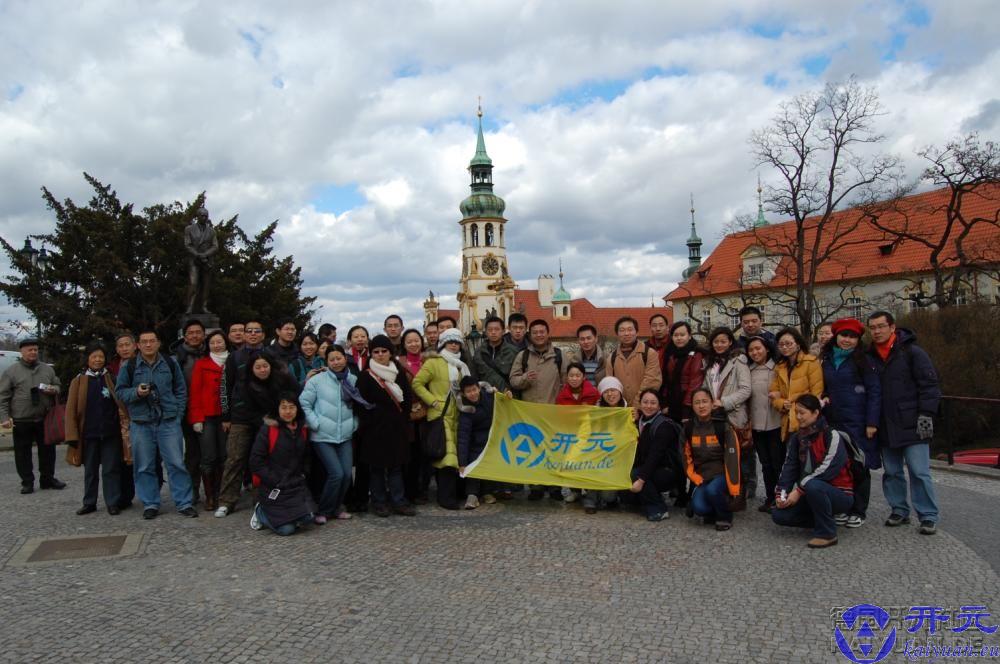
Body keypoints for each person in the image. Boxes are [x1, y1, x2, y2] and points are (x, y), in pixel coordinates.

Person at [867, 311, 941, 535]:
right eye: (873, 327)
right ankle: (899, 509)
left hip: (913, 421)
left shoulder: (912, 352)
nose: (877, 331)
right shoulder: (869, 356)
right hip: (885, 422)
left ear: (892, 327)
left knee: (919, 471)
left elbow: (929, 385)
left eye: (881, 326)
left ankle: (927, 515)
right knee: (892, 472)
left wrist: (926, 414)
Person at [115, 330, 197, 519]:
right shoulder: (129, 366)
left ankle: (184, 502)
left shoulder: (170, 362)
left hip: (168, 421)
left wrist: (178, 413)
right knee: (144, 466)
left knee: (176, 464)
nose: (148, 345)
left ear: (158, 343)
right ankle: (150, 503)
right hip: (141, 422)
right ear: (138, 345)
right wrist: (137, 392)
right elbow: (120, 393)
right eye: (144, 342)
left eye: (152, 341)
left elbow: (180, 390)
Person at [217, 351, 298, 517]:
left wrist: (280, 418)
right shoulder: (244, 382)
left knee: (264, 459)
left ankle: (260, 499)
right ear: (251, 369)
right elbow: (244, 407)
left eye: (265, 366)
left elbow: (294, 395)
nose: (262, 370)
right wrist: (265, 421)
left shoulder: (281, 378)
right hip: (244, 419)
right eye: (258, 367)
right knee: (235, 458)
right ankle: (226, 501)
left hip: (272, 419)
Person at [771, 394, 854, 548]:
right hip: (809, 492)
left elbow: (828, 469)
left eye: (802, 413)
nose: (798, 417)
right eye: (796, 412)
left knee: (813, 485)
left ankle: (827, 533)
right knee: (778, 515)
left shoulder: (831, 435)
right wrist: (781, 494)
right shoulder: (797, 438)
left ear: (816, 413)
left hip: (838, 493)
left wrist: (799, 491)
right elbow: (789, 468)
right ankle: (824, 518)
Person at [821, 318, 881, 528]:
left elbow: (874, 391)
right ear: (836, 336)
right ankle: (842, 506)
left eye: (852, 337)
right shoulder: (827, 359)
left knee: (859, 465)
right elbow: (824, 386)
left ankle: (858, 510)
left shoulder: (863, 360)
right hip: (833, 419)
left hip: (857, 419)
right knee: (837, 465)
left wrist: (872, 422)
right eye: (844, 335)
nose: (847, 340)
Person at [300, 344, 366, 523]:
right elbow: (304, 403)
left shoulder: (352, 379)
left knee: (346, 475)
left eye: (339, 358)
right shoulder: (317, 380)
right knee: (336, 473)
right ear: (327, 362)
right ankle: (323, 510)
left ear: (345, 358)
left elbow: (358, 405)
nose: (336, 362)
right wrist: (315, 423)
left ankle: (336, 508)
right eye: (332, 360)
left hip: (345, 434)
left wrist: (354, 424)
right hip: (322, 435)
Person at [64, 342, 129, 515]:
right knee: (90, 470)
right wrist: (72, 435)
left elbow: (121, 403)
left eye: (101, 356)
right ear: (87, 359)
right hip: (88, 433)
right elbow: (70, 410)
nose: (98, 360)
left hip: (110, 432)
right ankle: (89, 502)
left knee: (111, 469)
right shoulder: (79, 381)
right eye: (94, 357)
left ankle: (112, 502)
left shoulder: (111, 378)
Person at [356, 335, 416, 517]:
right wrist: (371, 422)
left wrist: (403, 419)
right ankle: (379, 502)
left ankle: (399, 501)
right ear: (371, 354)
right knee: (377, 469)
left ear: (390, 352)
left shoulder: (398, 372)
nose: (380, 354)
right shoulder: (365, 376)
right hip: (374, 431)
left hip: (396, 428)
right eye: (376, 351)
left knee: (396, 468)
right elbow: (360, 404)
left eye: (384, 351)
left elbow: (407, 398)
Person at [412, 328, 470, 510]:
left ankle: (455, 494)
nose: (454, 345)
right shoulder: (433, 363)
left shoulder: (461, 365)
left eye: (457, 342)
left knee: (456, 456)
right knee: (447, 459)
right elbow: (417, 383)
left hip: (458, 414)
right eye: (450, 342)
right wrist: (433, 401)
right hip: (440, 415)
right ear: (443, 344)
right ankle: (446, 498)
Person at [509, 319, 567, 501]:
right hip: (530, 413)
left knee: (554, 450)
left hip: (553, 412)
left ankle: (555, 486)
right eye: (535, 332)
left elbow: (567, 381)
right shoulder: (523, 356)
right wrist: (525, 378)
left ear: (548, 333)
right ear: (530, 334)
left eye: (542, 332)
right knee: (534, 450)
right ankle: (536, 486)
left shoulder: (559, 355)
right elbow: (513, 380)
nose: (539, 335)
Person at [0, 339, 64, 494]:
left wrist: (54, 389)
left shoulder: (47, 369)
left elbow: (58, 385)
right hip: (22, 419)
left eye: (35, 349)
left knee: (48, 451)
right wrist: (4, 418)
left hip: (44, 418)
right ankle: (27, 482)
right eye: (30, 350)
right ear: (22, 352)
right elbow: (3, 396)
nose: (33, 352)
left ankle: (47, 479)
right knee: (22, 453)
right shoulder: (11, 371)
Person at [248, 392, 316, 536]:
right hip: (273, 486)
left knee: (309, 518)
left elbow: (307, 456)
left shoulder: (302, 429)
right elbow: (256, 461)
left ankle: (290, 517)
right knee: (287, 530)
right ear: (277, 409)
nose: (288, 411)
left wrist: (304, 474)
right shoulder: (268, 429)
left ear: (297, 409)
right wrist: (274, 479)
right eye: (283, 407)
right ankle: (260, 511)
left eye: (291, 407)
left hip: (295, 484)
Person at [702, 327, 754, 500]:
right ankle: (725, 489)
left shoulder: (739, 361)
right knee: (721, 454)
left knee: (739, 453)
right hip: (715, 414)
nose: (719, 345)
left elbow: (746, 389)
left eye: (723, 341)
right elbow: (706, 387)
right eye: (716, 342)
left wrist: (724, 402)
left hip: (733, 413)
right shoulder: (709, 362)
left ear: (730, 342)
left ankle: (742, 491)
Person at [684, 388, 741, 531]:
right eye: (697, 402)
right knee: (699, 508)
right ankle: (716, 507)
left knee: (713, 490)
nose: (701, 406)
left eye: (704, 401)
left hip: (722, 474)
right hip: (702, 477)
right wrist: (694, 478)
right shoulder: (688, 428)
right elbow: (685, 458)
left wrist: (734, 487)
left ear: (712, 403)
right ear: (692, 406)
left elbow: (733, 458)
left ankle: (725, 516)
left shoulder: (723, 426)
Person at [626, 389, 685, 522]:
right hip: (651, 467)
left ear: (659, 406)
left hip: (668, 470)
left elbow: (655, 456)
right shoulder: (640, 421)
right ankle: (650, 496)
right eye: (645, 402)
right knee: (627, 495)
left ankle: (658, 508)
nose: (649, 406)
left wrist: (641, 480)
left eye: (653, 403)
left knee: (636, 475)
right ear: (640, 404)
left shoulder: (664, 425)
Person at [188, 330, 229, 511]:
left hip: (226, 416)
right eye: (212, 343)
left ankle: (222, 493)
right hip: (206, 416)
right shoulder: (202, 364)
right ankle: (210, 496)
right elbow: (195, 392)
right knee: (208, 457)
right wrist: (196, 417)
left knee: (224, 456)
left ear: (225, 342)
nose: (216, 345)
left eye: (219, 342)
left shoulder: (231, 361)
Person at [745, 336, 784, 512]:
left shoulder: (778, 368)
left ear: (767, 348)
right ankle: (770, 497)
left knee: (778, 462)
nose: (755, 352)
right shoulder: (748, 370)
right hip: (756, 424)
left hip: (775, 422)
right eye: (751, 350)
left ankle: (781, 497)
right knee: (765, 463)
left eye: (758, 348)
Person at [582, 377, 628, 514]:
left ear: (620, 392)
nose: (610, 394)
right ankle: (590, 499)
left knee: (608, 497)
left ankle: (609, 497)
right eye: (606, 391)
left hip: (617, 457)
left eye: (613, 390)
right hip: (596, 453)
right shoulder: (595, 412)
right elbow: (584, 433)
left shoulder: (628, 412)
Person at [769, 327, 824, 441]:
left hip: (807, 419)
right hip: (787, 420)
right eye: (781, 345)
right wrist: (782, 403)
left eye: (788, 344)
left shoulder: (811, 362)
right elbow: (773, 394)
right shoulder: (779, 367)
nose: (785, 347)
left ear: (798, 344)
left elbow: (816, 393)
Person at [173, 319, 206, 506]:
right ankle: (192, 490)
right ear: (184, 336)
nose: (194, 336)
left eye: (198, 332)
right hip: (188, 410)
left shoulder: (211, 352)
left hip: (210, 410)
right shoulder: (177, 357)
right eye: (191, 333)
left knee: (211, 454)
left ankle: (213, 491)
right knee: (192, 454)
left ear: (204, 334)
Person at [399, 329, 431, 503]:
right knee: (410, 454)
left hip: (428, 412)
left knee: (426, 453)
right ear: (404, 344)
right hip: (408, 415)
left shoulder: (429, 361)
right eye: (409, 341)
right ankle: (410, 490)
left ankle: (423, 489)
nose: (413, 344)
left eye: (416, 340)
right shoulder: (398, 363)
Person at [456, 376, 496, 509]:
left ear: (479, 388)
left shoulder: (490, 397)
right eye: (468, 391)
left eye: (474, 389)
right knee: (473, 464)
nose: (472, 393)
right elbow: (463, 437)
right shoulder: (465, 411)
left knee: (489, 465)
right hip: (475, 443)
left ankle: (487, 492)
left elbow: (504, 404)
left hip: (491, 439)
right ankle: (472, 495)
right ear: (463, 394)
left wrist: (507, 396)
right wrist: (462, 463)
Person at [107, 332, 138, 504]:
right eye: (121, 346)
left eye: (127, 344)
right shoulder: (111, 368)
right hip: (117, 417)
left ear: (135, 346)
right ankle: (125, 495)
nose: (124, 348)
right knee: (121, 458)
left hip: (139, 414)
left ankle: (149, 494)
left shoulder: (142, 363)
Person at [606, 316, 661, 406]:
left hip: (645, 407)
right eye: (622, 330)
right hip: (621, 408)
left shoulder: (649, 353)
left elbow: (652, 381)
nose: (626, 333)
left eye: (630, 329)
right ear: (617, 334)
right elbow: (610, 385)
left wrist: (637, 404)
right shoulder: (611, 358)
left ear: (636, 332)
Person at [661, 321, 705, 422]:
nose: (679, 338)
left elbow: (695, 383)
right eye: (675, 335)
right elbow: (667, 380)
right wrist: (664, 402)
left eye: (682, 335)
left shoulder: (696, 355)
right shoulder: (671, 354)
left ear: (689, 336)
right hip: (672, 403)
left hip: (688, 405)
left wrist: (687, 407)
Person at [474, 316, 518, 393]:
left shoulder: (513, 351)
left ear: (503, 331)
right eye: (490, 330)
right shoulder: (479, 351)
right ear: (486, 332)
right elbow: (474, 375)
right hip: (484, 394)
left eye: (497, 329)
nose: (493, 332)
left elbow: (517, 376)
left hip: (506, 394)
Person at [571, 324, 607, 388]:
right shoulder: (574, 360)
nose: (586, 342)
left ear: (596, 339)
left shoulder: (606, 358)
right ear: (578, 341)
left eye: (589, 338)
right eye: (582, 339)